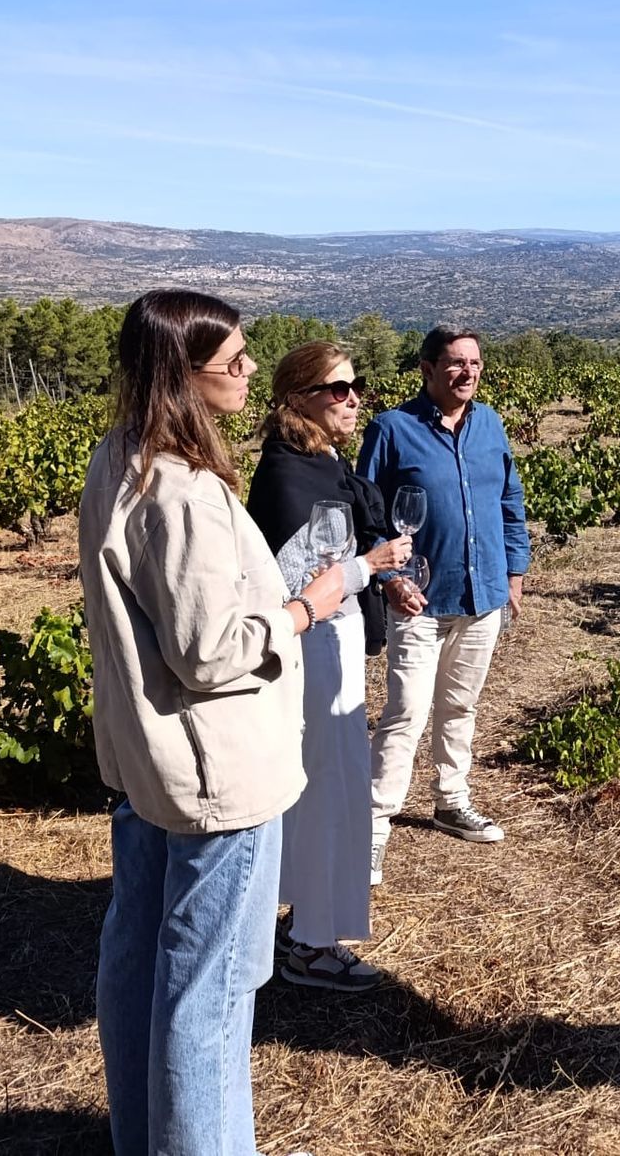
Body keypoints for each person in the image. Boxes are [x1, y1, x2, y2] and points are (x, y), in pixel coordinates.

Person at [79, 289, 345, 1156]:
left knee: (138, 960)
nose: (249, 370)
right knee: (212, 990)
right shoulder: (184, 491)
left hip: (147, 761)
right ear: (179, 376)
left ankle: (142, 1139)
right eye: (231, 360)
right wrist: (305, 608)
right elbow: (208, 652)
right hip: (216, 772)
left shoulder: (117, 458)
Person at [245, 341, 413, 992]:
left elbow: (334, 553)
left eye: (355, 386)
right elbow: (293, 583)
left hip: (333, 651)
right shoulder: (287, 473)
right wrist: (370, 568)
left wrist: (381, 577)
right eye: (335, 389)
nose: (352, 398)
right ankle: (311, 944)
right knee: (325, 793)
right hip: (311, 659)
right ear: (297, 399)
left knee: (332, 791)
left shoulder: (323, 462)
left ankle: (301, 923)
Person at [356, 326, 530, 881]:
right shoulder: (393, 429)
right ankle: (374, 825)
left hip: (482, 593)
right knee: (405, 711)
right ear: (427, 368)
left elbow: (509, 499)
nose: (467, 373)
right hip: (417, 599)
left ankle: (451, 800)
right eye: (456, 363)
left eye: (475, 363)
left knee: (461, 705)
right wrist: (390, 580)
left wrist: (515, 571)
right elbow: (366, 511)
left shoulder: (491, 425)